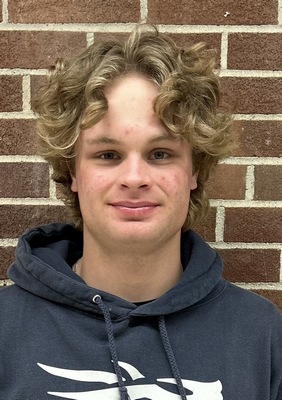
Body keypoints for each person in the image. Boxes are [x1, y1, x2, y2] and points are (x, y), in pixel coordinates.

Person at [0, 24, 281, 400]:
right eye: (108, 155)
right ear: (73, 173)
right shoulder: (4, 329)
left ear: (194, 170)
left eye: (160, 154)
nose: (134, 178)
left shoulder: (261, 334)